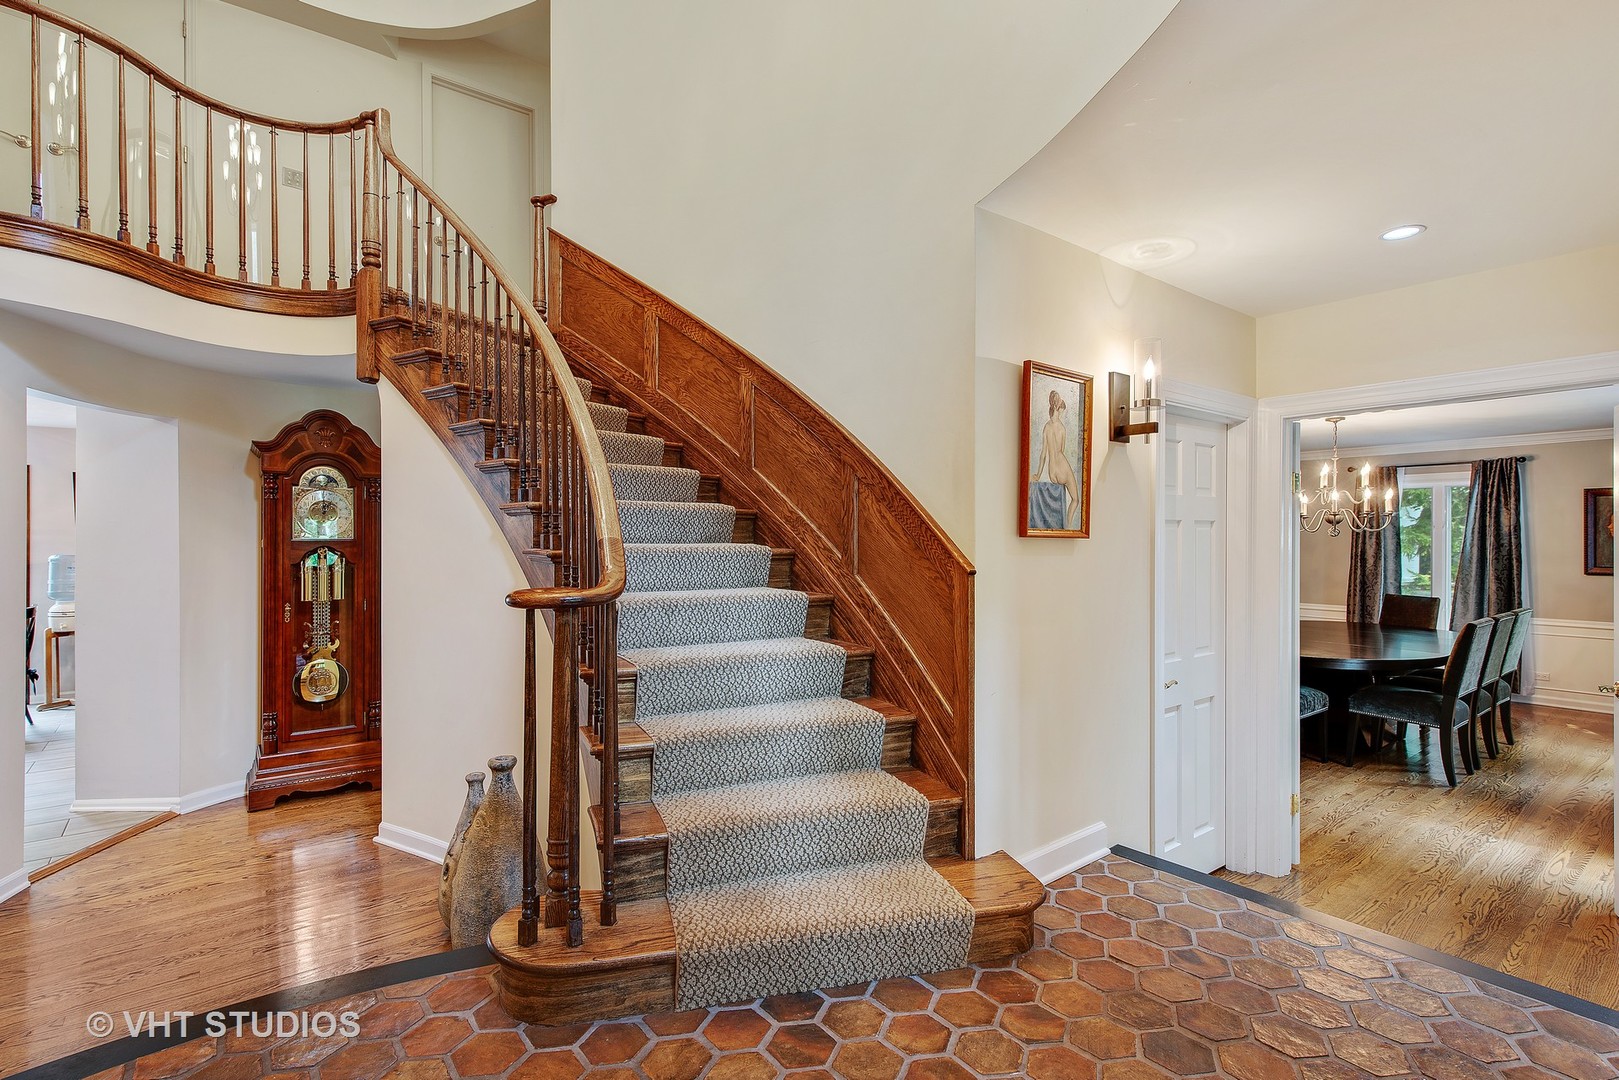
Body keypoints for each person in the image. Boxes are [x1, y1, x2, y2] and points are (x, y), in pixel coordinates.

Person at [1032, 389, 1080, 528]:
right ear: (1059, 409)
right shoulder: (1062, 428)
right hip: (1062, 467)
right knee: (1076, 500)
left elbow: (1043, 454)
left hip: (1052, 471)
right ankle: (1068, 526)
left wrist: (1038, 475)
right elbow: (1061, 450)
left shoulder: (1046, 427)